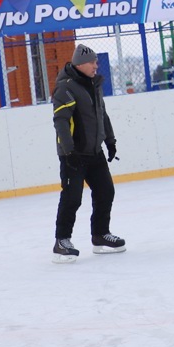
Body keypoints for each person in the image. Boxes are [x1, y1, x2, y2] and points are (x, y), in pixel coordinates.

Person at [52, 44, 126, 263]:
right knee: (72, 198)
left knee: (106, 192)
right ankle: (61, 241)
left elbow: (102, 114)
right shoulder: (65, 88)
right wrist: (69, 151)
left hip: (94, 152)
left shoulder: (94, 85)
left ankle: (100, 235)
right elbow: (61, 122)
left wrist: (110, 141)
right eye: (93, 62)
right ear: (81, 64)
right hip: (73, 155)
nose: (96, 65)